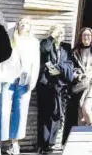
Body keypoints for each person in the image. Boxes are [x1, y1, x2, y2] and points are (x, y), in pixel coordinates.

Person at [0, 17, 40, 155]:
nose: (23, 24)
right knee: (2, 111)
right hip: (7, 79)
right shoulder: (9, 37)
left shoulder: (34, 43)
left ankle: (14, 144)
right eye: (21, 22)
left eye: (26, 23)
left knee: (21, 112)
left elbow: (36, 62)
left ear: (30, 27)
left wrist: (32, 81)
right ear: (17, 25)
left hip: (24, 81)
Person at [36, 25, 74, 154]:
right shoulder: (46, 43)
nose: (60, 34)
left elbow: (70, 63)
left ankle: (51, 144)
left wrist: (59, 68)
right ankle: (42, 143)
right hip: (46, 84)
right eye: (58, 32)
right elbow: (44, 50)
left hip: (60, 85)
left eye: (62, 32)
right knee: (44, 113)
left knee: (56, 115)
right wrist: (52, 37)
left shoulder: (67, 47)